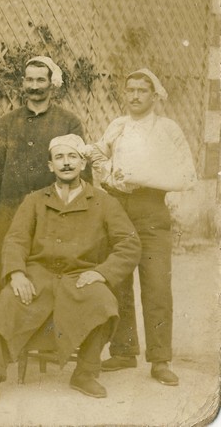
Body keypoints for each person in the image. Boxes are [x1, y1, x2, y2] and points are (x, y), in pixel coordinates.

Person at [0, 134, 141, 406]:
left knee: (103, 301)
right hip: (38, 275)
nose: (66, 163)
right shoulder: (34, 200)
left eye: (72, 157)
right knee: (8, 300)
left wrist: (102, 273)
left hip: (79, 276)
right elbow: (16, 239)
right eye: (59, 157)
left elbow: (129, 243)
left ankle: (85, 372)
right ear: (50, 166)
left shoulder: (103, 202)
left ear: (83, 164)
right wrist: (17, 274)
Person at [90, 68, 196, 386]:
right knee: (118, 280)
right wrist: (107, 173)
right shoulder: (118, 126)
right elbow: (96, 152)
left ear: (154, 95)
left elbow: (187, 176)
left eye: (142, 90)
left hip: (152, 211)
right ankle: (123, 350)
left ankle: (160, 359)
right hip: (118, 209)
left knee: (156, 285)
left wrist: (142, 179)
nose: (135, 96)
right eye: (130, 90)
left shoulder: (168, 129)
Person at [0, 56, 89, 317]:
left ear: (52, 84)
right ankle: (3, 335)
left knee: (49, 272)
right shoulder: (8, 122)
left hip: (54, 213)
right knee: (7, 271)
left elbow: (79, 169)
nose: (34, 86)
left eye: (40, 80)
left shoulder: (68, 122)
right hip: (11, 212)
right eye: (29, 80)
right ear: (23, 84)